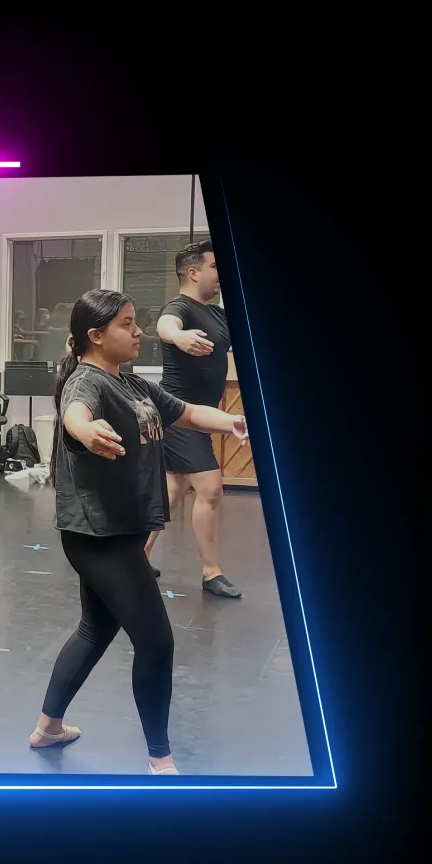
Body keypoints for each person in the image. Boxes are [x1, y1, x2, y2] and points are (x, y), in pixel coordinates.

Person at [29, 288, 247, 776]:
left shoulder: (130, 384)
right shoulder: (87, 381)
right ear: (95, 335)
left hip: (121, 528)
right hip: (99, 536)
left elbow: (188, 413)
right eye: (127, 324)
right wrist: (85, 432)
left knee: (95, 629)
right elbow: (75, 412)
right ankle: (160, 759)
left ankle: (48, 728)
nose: (138, 331)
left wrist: (231, 421)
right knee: (156, 642)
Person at [142, 240, 242, 598]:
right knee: (210, 487)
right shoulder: (179, 308)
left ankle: (135, 559)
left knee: (174, 488)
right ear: (193, 272)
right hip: (176, 414)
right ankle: (211, 572)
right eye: (215, 266)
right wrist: (179, 336)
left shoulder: (217, 314)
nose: (220, 274)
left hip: (203, 416)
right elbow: (166, 325)